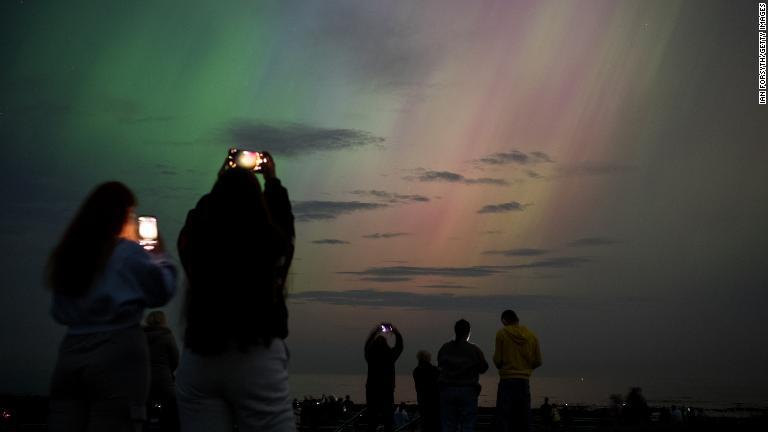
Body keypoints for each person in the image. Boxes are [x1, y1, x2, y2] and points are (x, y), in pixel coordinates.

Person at [175, 152, 296, 432]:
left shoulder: (199, 245)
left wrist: (222, 180)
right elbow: (284, 225)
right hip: (258, 353)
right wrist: (272, 179)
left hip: (201, 354)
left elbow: (191, 227)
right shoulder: (272, 246)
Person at [47, 182, 177, 432]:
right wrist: (159, 254)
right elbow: (161, 291)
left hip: (70, 352)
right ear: (122, 215)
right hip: (118, 352)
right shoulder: (127, 253)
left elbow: (58, 309)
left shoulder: (70, 255)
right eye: (131, 214)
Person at [493, 309, 542, 432]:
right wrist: (526, 368)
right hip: (523, 381)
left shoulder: (502, 334)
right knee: (525, 416)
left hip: (506, 380)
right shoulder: (532, 336)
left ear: (504, 320)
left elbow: (498, 360)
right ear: (517, 320)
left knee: (503, 416)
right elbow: (538, 361)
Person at [437, 319, 489, 431]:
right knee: (468, 425)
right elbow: (484, 368)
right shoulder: (475, 350)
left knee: (448, 425)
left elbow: (440, 364)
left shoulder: (445, 348)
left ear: (455, 331)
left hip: (447, 390)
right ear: (468, 332)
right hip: (468, 390)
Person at [144, 310, 180, 431]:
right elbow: (175, 360)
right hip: (164, 382)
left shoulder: (141, 338)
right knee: (170, 414)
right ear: (163, 321)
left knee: (147, 414)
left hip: (146, 382)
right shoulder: (167, 337)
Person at [364, 323, 404, 432]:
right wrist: (395, 332)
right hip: (387, 390)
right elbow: (400, 346)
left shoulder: (370, 355)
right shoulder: (390, 356)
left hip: (372, 389)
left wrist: (375, 331)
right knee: (388, 421)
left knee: (372, 420)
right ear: (386, 345)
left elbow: (367, 345)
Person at [412, 350, 440, 432]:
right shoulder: (434, 370)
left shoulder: (416, 371)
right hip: (434, 401)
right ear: (427, 358)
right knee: (435, 424)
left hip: (422, 401)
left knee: (425, 423)